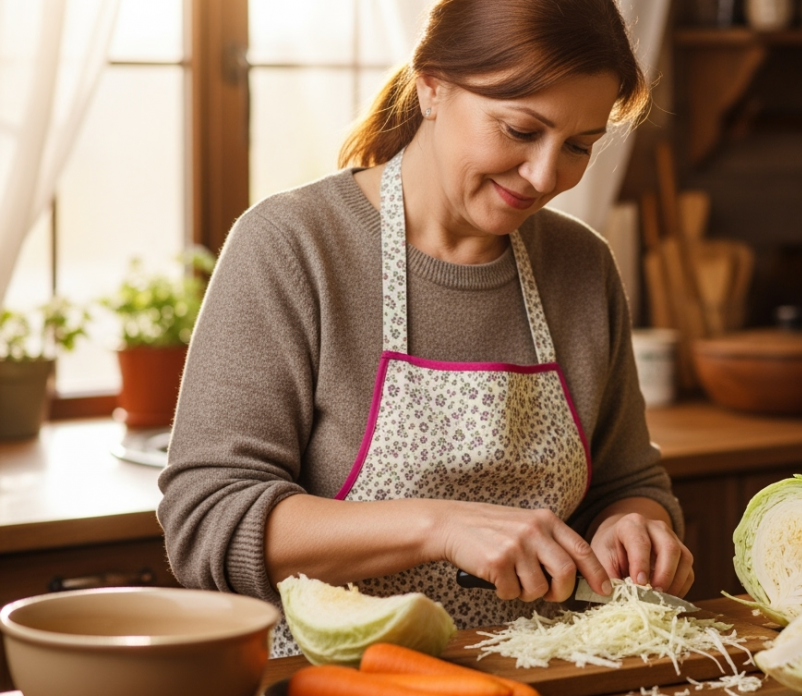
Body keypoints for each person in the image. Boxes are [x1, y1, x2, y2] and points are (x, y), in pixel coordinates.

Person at [157, 0, 693, 658]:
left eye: (580, 145)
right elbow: (207, 519)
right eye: (521, 130)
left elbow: (627, 482)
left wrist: (637, 525)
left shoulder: (582, 266)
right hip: (335, 678)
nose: (546, 175)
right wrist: (439, 525)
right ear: (432, 85)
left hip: (543, 675)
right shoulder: (293, 246)